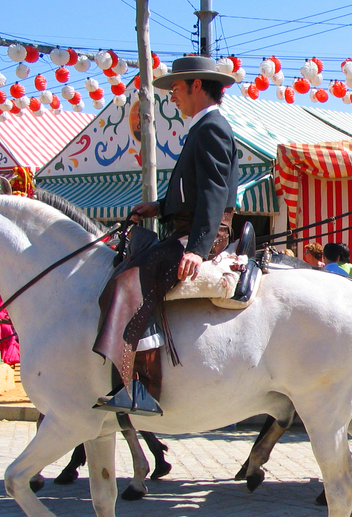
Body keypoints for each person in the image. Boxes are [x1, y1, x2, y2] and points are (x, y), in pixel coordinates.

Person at [93, 56, 244, 413]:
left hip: (202, 234)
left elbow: (212, 191)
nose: (171, 96)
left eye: (175, 88)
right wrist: (159, 207)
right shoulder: (203, 126)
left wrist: (197, 247)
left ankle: (141, 387)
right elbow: (194, 189)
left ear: (195, 85)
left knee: (129, 281)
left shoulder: (211, 127)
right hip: (187, 227)